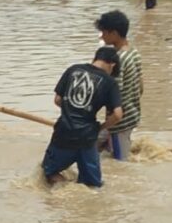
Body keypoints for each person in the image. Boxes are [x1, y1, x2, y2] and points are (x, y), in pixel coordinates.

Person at [42, 46, 123, 188]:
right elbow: (118, 115)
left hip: (64, 133)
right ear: (112, 65)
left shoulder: (72, 70)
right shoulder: (110, 82)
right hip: (88, 137)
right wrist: (101, 127)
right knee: (92, 185)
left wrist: (71, 109)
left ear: (95, 58)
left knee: (49, 172)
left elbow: (57, 100)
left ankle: (64, 192)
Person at [94, 10, 142, 160]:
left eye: (103, 33)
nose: (101, 36)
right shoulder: (134, 52)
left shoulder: (116, 60)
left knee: (121, 164)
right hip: (131, 114)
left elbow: (114, 93)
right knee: (91, 146)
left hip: (119, 122)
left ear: (114, 33)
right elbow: (140, 87)